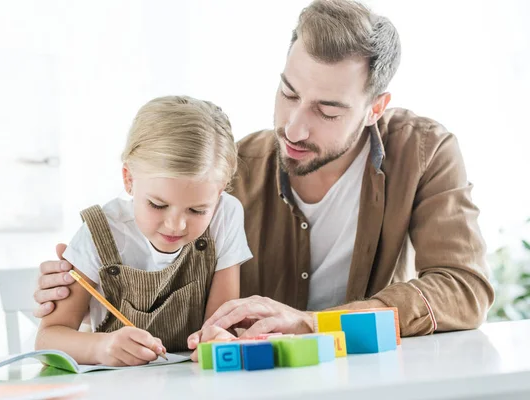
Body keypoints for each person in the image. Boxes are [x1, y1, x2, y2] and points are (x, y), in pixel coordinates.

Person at [34, 0, 494, 353]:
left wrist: (316, 323)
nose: (293, 127)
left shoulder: (424, 152)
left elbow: (464, 289)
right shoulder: (230, 170)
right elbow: (162, 266)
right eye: (288, 92)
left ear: (376, 108)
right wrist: (83, 282)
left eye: (327, 110)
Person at [34, 95, 252, 366]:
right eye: (157, 205)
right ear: (129, 180)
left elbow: (221, 324)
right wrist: (101, 348)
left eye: (197, 211)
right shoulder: (100, 232)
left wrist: (218, 337)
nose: (176, 225)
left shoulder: (225, 214)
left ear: (219, 193)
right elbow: (47, 341)